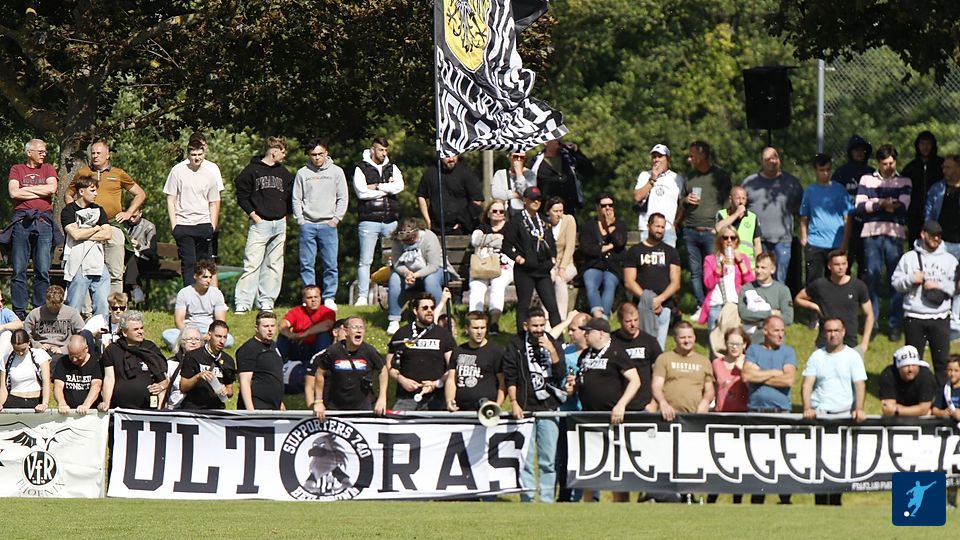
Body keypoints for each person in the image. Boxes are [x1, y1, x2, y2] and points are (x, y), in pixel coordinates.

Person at [564, 317, 640, 504]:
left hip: (611, 418)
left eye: (588, 331)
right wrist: (573, 386)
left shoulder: (616, 352)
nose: (585, 335)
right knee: (590, 464)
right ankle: (588, 504)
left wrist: (621, 404)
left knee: (616, 464)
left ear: (600, 333)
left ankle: (620, 506)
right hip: (588, 417)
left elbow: (635, 380)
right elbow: (584, 379)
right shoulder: (585, 354)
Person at [801, 318, 867, 506]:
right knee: (819, 462)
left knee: (839, 462)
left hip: (843, 416)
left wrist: (859, 409)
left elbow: (860, 385)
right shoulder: (817, 356)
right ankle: (820, 504)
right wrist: (807, 407)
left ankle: (836, 503)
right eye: (829, 331)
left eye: (837, 330)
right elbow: (806, 385)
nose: (833, 334)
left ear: (843, 332)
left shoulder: (853, 356)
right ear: (824, 333)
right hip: (820, 415)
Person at [66, 141, 147, 293]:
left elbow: (140, 194)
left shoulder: (118, 173)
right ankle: (88, 306)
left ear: (108, 155)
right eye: (93, 153)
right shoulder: (83, 173)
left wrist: (128, 213)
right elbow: (68, 195)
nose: (95, 156)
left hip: (112, 225)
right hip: (88, 227)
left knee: (115, 271)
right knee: (86, 270)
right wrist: (75, 213)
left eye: (99, 153)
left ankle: (115, 304)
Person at [503, 308, 565, 503]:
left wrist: (552, 351)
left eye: (542, 325)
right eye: (535, 326)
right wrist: (514, 402)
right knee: (526, 460)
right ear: (526, 326)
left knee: (548, 460)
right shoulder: (515, 344)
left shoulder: (552, 342)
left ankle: (547, 500)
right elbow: (510, 376)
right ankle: (528, 498)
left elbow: (560, 374)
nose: (539, 329)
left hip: (549, 409)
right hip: (525, 409)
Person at [855, 144, 911, 341]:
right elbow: (860, 207)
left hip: (894, 235)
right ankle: (872, 322)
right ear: (878, 162)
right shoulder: (866, 179)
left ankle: (895, 324)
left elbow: (902, 207)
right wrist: (883, 204)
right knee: (872, 278)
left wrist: (874, 204)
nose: (888, 167)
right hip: (871, 235)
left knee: (895, 279)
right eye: (885, 163)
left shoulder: (904, 181)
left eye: (891, 163)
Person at [234, 137, 295, 314]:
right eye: (283, 152)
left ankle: (267, 301)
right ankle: (243, 303)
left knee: (275, 264)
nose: (284, 155)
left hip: (279, 223)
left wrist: (286, 215)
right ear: (274, 151)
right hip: (260, 224)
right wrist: (253, 215)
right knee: (252, 263)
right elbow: (241, 194)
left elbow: (290, 196)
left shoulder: (284, 173)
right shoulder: (251, 170)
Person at [892, 220, 957, 382]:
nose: (936, 239)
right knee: (913, 364)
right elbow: (895, 283)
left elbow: (957, 287)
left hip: (940, 317)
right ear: (923, 234)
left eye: (939, 236)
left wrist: (939, 285)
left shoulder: (949, 260)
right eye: (933, 235)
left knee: (942, 362)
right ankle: (917, 394)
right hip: (914, 317)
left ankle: (943, 395)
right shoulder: (909, 258)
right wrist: (911, 279)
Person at [742, 315, 796, 504]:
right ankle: (757, 498)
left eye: (782, 331)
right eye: (776, 330)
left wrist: (760, 375)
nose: (780, 335)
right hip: (756, 412)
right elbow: (746, 376)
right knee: (758, 456)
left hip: (781, 412)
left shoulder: (788, 352)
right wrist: (774, 372)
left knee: (782, 456)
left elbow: (788, 379)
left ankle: (785, 499)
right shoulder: (754, 350)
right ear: (765, 331)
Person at [6, 139, 59, 320]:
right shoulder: (17, 169)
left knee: (42, 269)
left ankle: (40, 310)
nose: (44, 154)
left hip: (44, 221)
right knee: (19, 268)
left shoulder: (48, 169)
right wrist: (40, 190)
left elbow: (52, 189)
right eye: (40, 151)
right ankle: (19, 311)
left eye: (45, 151)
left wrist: (26, 190)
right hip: (22, 221)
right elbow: (14, 192)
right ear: (29, 152)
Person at [293, 138, 347, 309]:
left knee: (330, 264)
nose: (317, 157)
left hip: (328, 224)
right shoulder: (302, 173)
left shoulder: (336, 172)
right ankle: (309, 298)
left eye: (320, 154)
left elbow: (343, 197)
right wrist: (300, 219)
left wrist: (336, 219)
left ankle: (329, 297)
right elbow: (296, 198)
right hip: (308, 224)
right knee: (307, 264)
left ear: (326, 153)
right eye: (313, 154)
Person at [678, 140, 732, 305]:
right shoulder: (690, 177)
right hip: (691, 230)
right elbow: (681, 202)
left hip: (712, 231)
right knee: (695, 272)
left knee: (713, 270)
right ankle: (701, 305)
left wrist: (721, 227)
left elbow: (727, 204)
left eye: (692, 155)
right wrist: (686, 200)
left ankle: (713, 303)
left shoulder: (720, 176)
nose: (689, 159)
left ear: (702, 155)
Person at [353, 137, 404, 306]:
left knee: (394, 258)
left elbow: (399, 187)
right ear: (373, 150)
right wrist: (387, 189)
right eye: (381, 150)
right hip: (368, 220)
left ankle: (395, 293)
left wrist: (376, 186)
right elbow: (361, 193)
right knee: (365, 260)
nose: (384, 153)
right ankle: (362, 296)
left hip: (391, 220)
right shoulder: (361, 168)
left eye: (386, 150)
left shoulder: (392, 167)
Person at [502, 187, 562, 328]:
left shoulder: (543, 220)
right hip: (525, 271)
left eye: (539, 199)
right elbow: (506, 246)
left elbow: (551, 242)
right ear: (525, 200)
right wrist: (519, 259)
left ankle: (558, 337)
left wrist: (553, 258)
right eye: (532, 199)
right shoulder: (516, 221)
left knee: (552, 306)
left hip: (543, 270)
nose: (536, 202)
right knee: (524, 305)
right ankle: (522, 336)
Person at [163, 138, 220, 286]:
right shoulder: (177, 171)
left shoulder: (210, 175)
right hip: (184, 224)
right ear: (188, 155)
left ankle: (204, 295)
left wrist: (212, 226)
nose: (197, 158)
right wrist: (174, 225)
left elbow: (213, 202)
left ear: (204, 154)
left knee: (204, 265)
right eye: (194, 154)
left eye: (200, 154)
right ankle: (189, 295)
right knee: (188, 263)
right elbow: (171, 199)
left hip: (203, 224)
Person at [741, 147, 803, 282]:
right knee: (758, 277)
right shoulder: (749, 183)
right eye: (768, 159)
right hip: (757, 240)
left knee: (780, 278)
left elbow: (801, 210)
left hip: (783, 240)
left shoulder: (791, 183)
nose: (772, 161)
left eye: (775, 158)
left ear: (779, 160)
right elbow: (740, 208)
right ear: (762, 161)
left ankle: (778, 297)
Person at [795, 250, 874, 354]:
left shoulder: (858, 286)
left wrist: (865, 343)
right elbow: (798, 298)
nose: (841, 267)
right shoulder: (820, 284)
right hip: (824, 343)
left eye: (843, 264)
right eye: (837, 264)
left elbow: (869, 315)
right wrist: (814, 306)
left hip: (850, 343)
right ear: (829, 266)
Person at [387, 293, 455, 411]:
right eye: (425, 308)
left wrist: (436, 383)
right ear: (415, 310)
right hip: (406, 398)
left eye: (432, 308)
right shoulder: (402, 334)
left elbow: (453, 367)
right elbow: (388, 365)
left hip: (436, 399)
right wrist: (402, 380)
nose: (429, 311)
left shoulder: (444, 335)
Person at [622, 213, 681, 348]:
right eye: (657, 226)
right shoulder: (635, 251)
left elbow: (676, 282)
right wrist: (649, 300)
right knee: (641, 346)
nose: (660, 230)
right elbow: (629, 282)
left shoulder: (671, 252)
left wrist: (659, 300)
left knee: (659, 349)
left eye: (662, 227)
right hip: (641, 306)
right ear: (648, 226)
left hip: (664, 306)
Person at [311, 316, 387, 419]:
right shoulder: (333, 351)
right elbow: (319, 373)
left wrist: (382, 398)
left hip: (362, 409)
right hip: (335, 409)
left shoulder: (369, 351)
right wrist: (318, 401)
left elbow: (383, 370)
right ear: (346, 331)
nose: (359, 331)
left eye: (361, 327)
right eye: (355, 327)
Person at [706, 327, 750, 505]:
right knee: (719, 458)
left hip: (742, 417)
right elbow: (711, 388)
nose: (734, 347)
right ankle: (712, 498)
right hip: (721, 417)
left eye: (738, 344)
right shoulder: (717, 363)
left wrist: (744, 371)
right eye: (731, 343)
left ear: (744, 344)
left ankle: (737, 500)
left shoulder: (749, 364)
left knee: (739, 460)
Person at [61, 176, 113, 317]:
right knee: (74, 306)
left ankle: (101, 330)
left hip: (98, 262)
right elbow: (75, 235)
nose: (96, 194)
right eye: (92, 190)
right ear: (81, 191)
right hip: (77, 263)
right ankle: (72, 330)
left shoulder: (99, 210)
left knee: (103, 305)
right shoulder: (68, 211)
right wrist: (95, 228)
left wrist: (83, 233)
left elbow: (107, 234)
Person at [99, 310, 169, 410]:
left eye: (141, 328)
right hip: (120, 409)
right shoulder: (112, 350)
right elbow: (109, 379)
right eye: (136, 329)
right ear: (124, 332)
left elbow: (164, 380)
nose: (140, 332)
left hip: (147, 408)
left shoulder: (150, 348)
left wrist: (160, 387)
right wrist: (106, 403)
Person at [385, 218, 445, 335]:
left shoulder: (428, 237)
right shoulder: (398, 240)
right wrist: (407, 273)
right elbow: (397, 263)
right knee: (394, 278)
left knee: (431, 280)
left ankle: (436, 317)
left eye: (411, 239)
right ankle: (393, 320)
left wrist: (415, 275)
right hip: (409, 273)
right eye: (406, 240)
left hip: (434, 270)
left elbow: (433, 266)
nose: (408, 242)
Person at [800, 153, 852, 285]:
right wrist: (804, 237)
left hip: (836, 244)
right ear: (816, 171)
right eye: (821, 170)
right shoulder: (810, 191)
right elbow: (804, 216)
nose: (825, 173)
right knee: (814, 283)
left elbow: (848, 218)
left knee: (836, 282)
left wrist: (845, 243)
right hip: (815, 243)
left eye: (828, 170)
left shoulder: (840, 190)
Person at [575, 192, 627, 319]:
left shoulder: (620, 225)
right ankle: (598, 315)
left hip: (613, 265)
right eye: (604, 206)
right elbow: (586, 248)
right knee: (591, 283)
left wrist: (610, 226)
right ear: (597, 207)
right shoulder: (588, 226)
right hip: (593, 264)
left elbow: (620, 242)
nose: (607, 208)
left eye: (610, 205)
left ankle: (603, 319)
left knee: (609, 283)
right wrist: (605, 248)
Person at [161, 260, 231, 351]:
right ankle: (201, 345)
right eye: (205, 277)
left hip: (208, 330)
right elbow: (179, 321)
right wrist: (189, 334)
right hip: (189, 329)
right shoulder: (184, 293)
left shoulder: (217, 293)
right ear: (196, 276)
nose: (208, 280)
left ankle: (192, 345)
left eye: (210, 277)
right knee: (168, 334)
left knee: (229, 340)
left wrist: (209, 334)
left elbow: (220, 322)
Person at [651, 321, 715, 420]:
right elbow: (656, 386)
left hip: (695, 416)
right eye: (682, 337)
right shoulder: (664, 358)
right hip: (669, 415)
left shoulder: (704, 361)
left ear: (694, 337)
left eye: (690, 337)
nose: (687, 341)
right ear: (675, 338)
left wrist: (706, 402)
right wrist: (662, 403)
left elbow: (709, 389)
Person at [832, 135, 875, 279]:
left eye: (862, 150)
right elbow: (834, 199)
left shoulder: (871, 172)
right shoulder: (841, 173)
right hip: (846, 225)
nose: (859, 153)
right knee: (845, 262)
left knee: (866, 264)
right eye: (856, 150)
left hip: (867, 224)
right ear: (850, 152)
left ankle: (862, 291)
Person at [468, 200, 513, 335]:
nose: (498, 213)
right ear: (488, 213)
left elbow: (509, 243)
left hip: (504, 267)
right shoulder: (481, 227)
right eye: (494, 211)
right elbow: (475, 241)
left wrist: (487, 240)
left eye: (501, 211)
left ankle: (493, 322)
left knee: (497, 284)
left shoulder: (510, 228)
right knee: (476, 286)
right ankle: (475, 322)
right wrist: (494, 237)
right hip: (482, 267)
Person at [445, 311, 505, 412]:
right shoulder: (458, 351)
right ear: (467, 329)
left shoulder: (495, 351)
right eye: (475, 328)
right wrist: (449, 400)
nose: (479, 332)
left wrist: (497, 406)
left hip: (486, 410)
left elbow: (503, 382)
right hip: (460, 410)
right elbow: (451, 379)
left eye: (483, 328)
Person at [699, 225, 755, 331]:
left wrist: (741, 262)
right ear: (720, 240)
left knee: (734, 337)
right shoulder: (710, 259)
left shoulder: (743, 258)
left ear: (737, 241)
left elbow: (750, 283)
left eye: (733, 238)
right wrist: (719, 268)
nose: (729, 241)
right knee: (715, 338)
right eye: (725, 238)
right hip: (716, 304)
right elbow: (708, 284)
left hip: (736, 304)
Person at [611, 303, 661, 411]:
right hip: (617, 405)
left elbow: (660, 373)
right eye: (628, 321)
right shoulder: (611, 341)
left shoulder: (650, 341)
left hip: (644, 405)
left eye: (636, 320)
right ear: (620, 320)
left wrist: (654, 402)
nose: (633, 324)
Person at [417, 154, 483, 235]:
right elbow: (421, 196)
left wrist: (463, 222)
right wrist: (428, 221)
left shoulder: (466, 173)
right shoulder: (430, 173)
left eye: (454, 155)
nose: (451, 159)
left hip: (462, 229)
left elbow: (477, 199)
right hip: (436, 228)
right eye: (447, 156)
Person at [177, 320, 235, 410]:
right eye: (218, 336)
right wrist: (198, 377)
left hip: (217, 409)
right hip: (194, 408)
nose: (222, 341)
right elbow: (183, 387)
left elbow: (230, 390)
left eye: (225, 337)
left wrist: (226, 391)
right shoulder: (193, 356)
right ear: (209, 335)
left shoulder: (228, 360)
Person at [633, 144, 683, 247]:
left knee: (668, 256)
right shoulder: (644, 175)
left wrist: (676, 223)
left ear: (668, 159)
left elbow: (682, 205)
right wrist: (652, 179)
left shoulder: (677, 178)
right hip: (646, 229)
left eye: (660, 156)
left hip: (668, 230)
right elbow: (637, 197)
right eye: (654, 157)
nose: (656, 160)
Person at [237, 311, 285, 411]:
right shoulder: (249, 349)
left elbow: (274, 376)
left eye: (272, 326)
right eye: (266, 326)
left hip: (275, 406)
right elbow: (245, 382)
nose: (270, 329)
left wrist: (281, 404)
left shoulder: (273, 346)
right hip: (258, 406)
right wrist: (251, 412)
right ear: (257, 328)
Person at [902, 131, 944, 244]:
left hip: (938, 214)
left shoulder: (941, 165)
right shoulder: (910, 168)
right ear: (917, 145)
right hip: (915, 216)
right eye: (922, 144)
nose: (925, 147)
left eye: (928, 144)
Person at [530, 138, 592, 214]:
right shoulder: (536, 162)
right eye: (555, 138)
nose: (559, 140)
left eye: (559, 137)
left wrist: (576, 152)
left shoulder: (569, 158)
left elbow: (589, 171)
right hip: (546, 211)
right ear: (546, 142)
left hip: (568, 209)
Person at [738, 252, 793, 337]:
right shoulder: (746, 288)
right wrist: (771, 313)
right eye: (757, 267)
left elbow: (788, 319)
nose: (758, 271)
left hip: (774, 338)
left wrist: (755, 320)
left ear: (772, 269)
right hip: (750, 337)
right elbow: (743, 315)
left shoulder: (783, 290)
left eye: (763, 268)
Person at [278, 285, 335, 364]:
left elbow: (328, 324)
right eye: (309, 298)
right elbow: (282, 325)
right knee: (283, 335)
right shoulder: (296, 311)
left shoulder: (328, 312)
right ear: (304, 300)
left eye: (316, 297)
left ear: (320, 298)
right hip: (299, 346)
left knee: (324, 335)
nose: (313, 300)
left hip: (317, 346)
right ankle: (280, 363)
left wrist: (305, 334)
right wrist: (290, 335)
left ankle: (321, 364)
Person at [23, 285, 84, 356]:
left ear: (62, 301)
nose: (53, 309)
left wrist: (64, 349)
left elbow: (82, 334)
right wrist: (37, 345)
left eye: (57, 306)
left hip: (63, 352)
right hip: (40, 351)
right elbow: (25, 334)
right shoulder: (35, 313)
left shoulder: (72, 313)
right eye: (50, 306)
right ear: (46, 300)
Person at [0, 328, 51, 412]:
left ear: (28, 343)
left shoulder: (40, 355)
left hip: (36, 401)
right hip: (14, 400)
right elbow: (3, 387)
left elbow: (46, 382)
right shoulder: (6, 358)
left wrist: (44, 403)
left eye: (23, 349)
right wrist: (0, 403)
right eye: (16, 350)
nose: (20, 353)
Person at [880, 345, 937, 417]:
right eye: (906, 366)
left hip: (919, 418)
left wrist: (897, 411)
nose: (910, 369)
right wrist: (917, 410)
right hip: (896, 418)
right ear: (899, 367)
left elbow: (924, 409)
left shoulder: (926, 376)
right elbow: (888, 409)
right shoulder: (889, 375)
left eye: (914, 365)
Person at [53, 333, 103, 414]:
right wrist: (61, 403)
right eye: (71, 355)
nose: (74, 360)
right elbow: (58, 386)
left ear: (86, 349)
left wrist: (86, 405)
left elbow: (96, 385)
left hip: (91, 411)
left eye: (78, 356)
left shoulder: (95, 363)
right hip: (68, 411)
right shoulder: (62, 362)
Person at [933, 356, 960, 508]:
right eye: (949, 370)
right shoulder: (945, 389)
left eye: (956, 370)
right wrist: (942, 413)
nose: (952, 373)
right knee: (951, 469)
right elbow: (934, 409)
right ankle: (951, 502)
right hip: (951, 438)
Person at [715, 186, 763, 266]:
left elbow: (757, 243)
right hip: (727, 262)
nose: (741, 201)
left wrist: (759, 264)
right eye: (738, 198)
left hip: (748, 264)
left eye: (743, 198)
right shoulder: (722, 214)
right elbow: (718, 228)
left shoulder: (752, 217)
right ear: (730, 199)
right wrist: (737, 213)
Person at [546, 196, 578, 318]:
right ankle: (546, 316)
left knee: (560, 280)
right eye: (555, 211)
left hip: (567, 263)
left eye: (561, 211)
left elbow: (570, 246)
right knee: (547, 279)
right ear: (548, 211)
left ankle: (561, 317)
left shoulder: (569, 220)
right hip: (550, 263)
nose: (559, 214)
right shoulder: (544, 224)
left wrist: (562, 267)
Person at [924, 154, 960, 260]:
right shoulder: (936, 189)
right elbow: (928, 214)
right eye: (943, 167)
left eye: (948, 168)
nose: (944, 171)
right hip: (941, 243)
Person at [121, 207, 158, 303]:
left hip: (145, 260)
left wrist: (139, 246)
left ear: (140, 213)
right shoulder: (123, 224)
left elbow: (152, 251)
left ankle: (134, 288)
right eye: (129, 216)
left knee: (131, 258)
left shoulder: (149, 226)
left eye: (134, 216)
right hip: (125, 261)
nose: (131, 219)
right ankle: (134, 288)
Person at [162, 327, 203, 410]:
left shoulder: (206, 364)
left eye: (197, 339)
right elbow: (164, 389)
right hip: (174, 409)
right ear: (181, 342)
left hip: (199, 409)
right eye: (189, 339)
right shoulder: (171, 364)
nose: (193, 342)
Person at [492, 151, 536, 217]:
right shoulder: (500, 174)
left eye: (521, 157)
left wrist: (519, 173)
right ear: (509, 157)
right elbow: (496, 194)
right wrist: (516, 195)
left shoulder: (530, 175)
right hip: (505, 214)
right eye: (515, 157)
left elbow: (528, 194)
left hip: (524, 214)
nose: (518, 159)